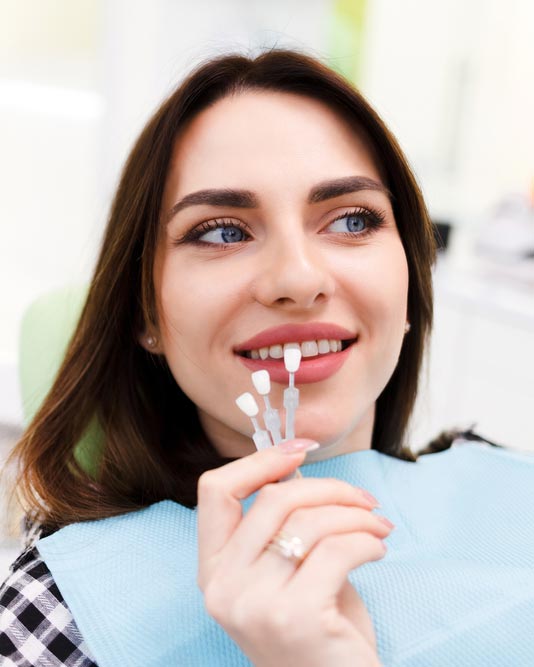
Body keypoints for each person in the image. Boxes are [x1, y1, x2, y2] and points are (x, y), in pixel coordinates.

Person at [1, 49, 533, 667]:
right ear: (146, 312)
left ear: (411, 283)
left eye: (353, 220)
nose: (298, 279)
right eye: (223, 231)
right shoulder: (55, 610)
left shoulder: (506, 485)